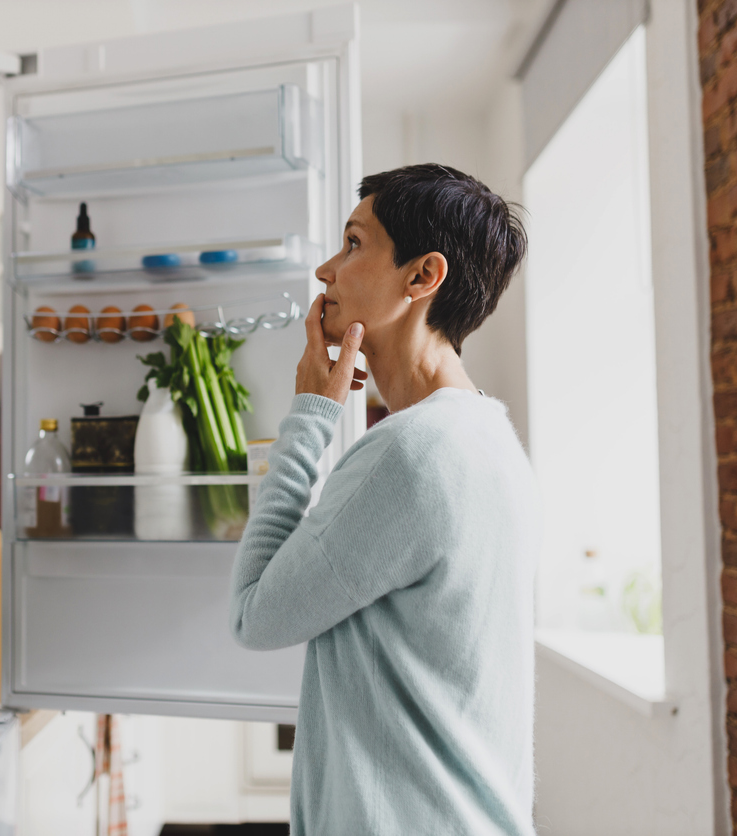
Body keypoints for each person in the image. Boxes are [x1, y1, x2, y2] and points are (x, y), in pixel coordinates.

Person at [230, 164, 539, 835]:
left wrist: (312, 413)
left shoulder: (411, 454)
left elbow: (254, 615)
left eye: (353, 244)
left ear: (422, 277)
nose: (325, 271)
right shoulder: (490, 435)